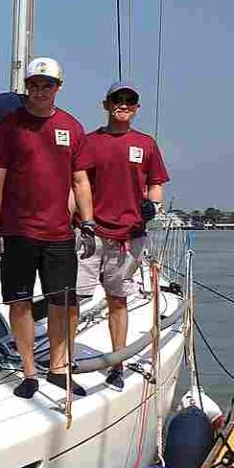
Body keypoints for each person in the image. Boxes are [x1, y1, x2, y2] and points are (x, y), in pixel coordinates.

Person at [0, 57, 96, 399]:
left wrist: (88, 224)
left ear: (58, 87)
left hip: (59, 233)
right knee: (20, 303)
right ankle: (29, 371)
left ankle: (59, 368)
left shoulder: (72, 128)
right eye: (34, 84)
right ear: (26, 87)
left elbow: (80, 179)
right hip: (17, 231)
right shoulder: (8, 126)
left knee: (64, 303)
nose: (40, 90)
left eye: (47, 85)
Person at [77, 82, 169, 390]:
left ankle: (117, 364)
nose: (124, 104)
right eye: (118, 99)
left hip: (129, 236)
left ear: (137, 107)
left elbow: (156, 183)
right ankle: (60, 362)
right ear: (106, 104)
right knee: (72, 299)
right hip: (90, 233)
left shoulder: (146, 144)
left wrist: (152, 206)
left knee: (118, 300)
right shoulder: (88, 142)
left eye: (130, 100)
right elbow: (75, 185)